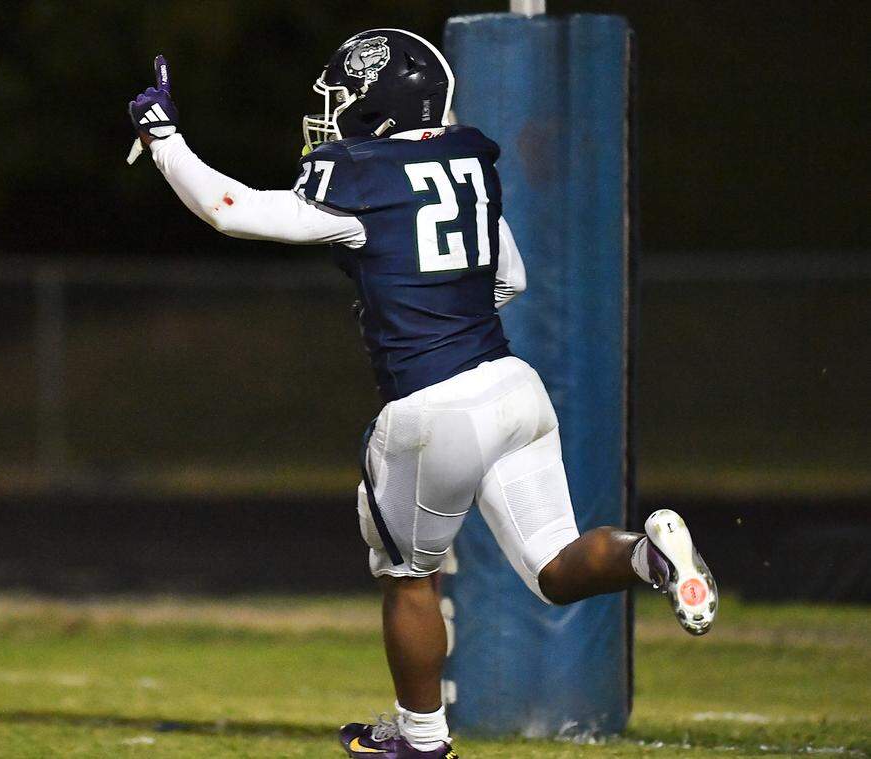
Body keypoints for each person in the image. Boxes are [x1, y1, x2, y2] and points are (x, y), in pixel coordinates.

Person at [128, 29, 717, 759]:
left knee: (409, 576)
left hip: (434, 407)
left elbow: (231, 208)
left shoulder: (359, 176)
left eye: (341, 97)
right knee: (556, 567)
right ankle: (650, 555)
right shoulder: (469, 162)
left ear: (378, 104)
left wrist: (163, 138)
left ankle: (421, 740)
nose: (331, 112)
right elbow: (510, 280)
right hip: (513, 387)